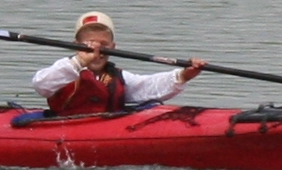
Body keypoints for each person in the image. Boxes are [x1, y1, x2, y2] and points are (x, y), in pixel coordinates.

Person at [32, 12, 208, 116]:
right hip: (65, 131)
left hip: (106, 131)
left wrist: (184, 75)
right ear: (76, 45)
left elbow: (147, 87)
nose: (96, 51)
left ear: (113, 47)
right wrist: (79, 61)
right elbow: (41, 85)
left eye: (104, 45)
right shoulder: (65, 69)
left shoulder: (117, 76)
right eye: (89, 45)